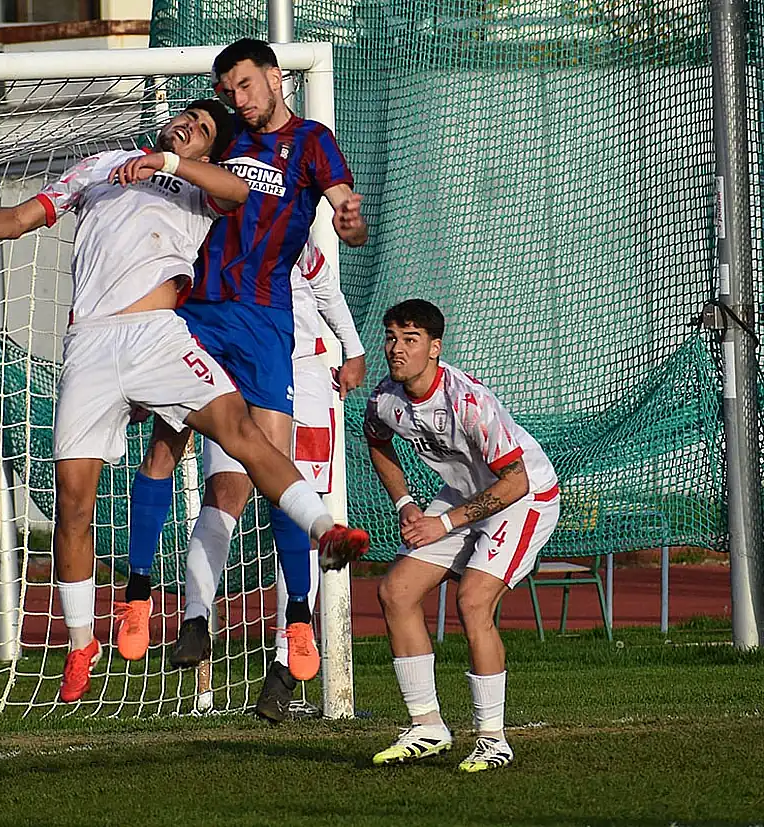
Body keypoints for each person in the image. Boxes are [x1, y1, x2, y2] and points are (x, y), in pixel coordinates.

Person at [0, 99, 366, 703]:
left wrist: (170, 163)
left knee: (241, 432)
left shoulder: (198, 188)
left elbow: (239, 192)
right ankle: (82, 642)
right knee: (73, 501)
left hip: (160, 337)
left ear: (209, 151)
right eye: (188, 116)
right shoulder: (100, 166)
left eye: (205, 129)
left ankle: (326, 531)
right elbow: (24, 217)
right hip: (89, 345)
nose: (189, 125)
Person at [118, 38, 368, 685]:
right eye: (228, 91)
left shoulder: (310, 141)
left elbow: (345, 203)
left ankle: (297, 617)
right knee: (164, 448)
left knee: (274, 468)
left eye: (246, 85)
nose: (239, 99)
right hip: (199, 315)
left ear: (276, 77)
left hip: (263, 323)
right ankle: (140, 593)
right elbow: (185, 154)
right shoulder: (227, 135)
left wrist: (349, 218)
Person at [125, 241, 366, 722]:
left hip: (302, 370)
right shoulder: (200, 228)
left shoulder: (284, 222)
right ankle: (195, 618)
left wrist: (353, 349)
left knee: (296, 500)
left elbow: (324, 283)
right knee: (224, 494)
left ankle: (287, 657)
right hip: (229, 365)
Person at [353, 298, 560, 773]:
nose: (397, 349)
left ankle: (493, 739)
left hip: (526, 497)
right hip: (465, 496)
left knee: (472, 601)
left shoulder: (468, 402)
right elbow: (376, 439)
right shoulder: (386, 399)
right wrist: (405, 504)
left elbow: (515, 481)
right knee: (396, 592)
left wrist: (443, 523)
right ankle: (426, 727)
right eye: (391, 338)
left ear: (435, 347)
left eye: (411, 339)